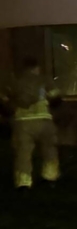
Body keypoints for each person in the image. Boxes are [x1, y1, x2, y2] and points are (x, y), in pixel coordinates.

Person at [1, 58, 61, 191]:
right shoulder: (44, 80)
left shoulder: (14, 82)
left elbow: (4, 101)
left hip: (23, 122)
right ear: (36, 68)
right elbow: (56, 99)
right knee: (49, 150)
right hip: (44, 120)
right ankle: (50, 177)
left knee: (23, 152)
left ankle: (24, 182)